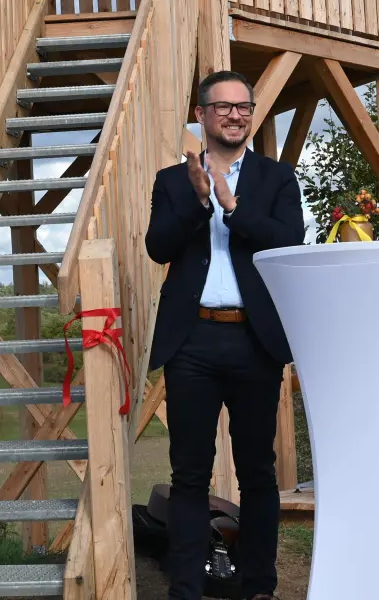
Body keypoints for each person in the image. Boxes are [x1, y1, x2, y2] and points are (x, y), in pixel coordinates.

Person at [144, 70, 307, 600]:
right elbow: (158, 247)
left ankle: (259, 586)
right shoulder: (173, 180)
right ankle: (186, 589)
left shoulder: (276, 178)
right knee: (189, 475)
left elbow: (288, 241)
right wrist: (198, 203)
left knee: (258, 472)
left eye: (244, 107)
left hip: (254, 341)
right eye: (223, 107)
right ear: (201, 115)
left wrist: (231, 206)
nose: (235, 115)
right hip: (192, 342)